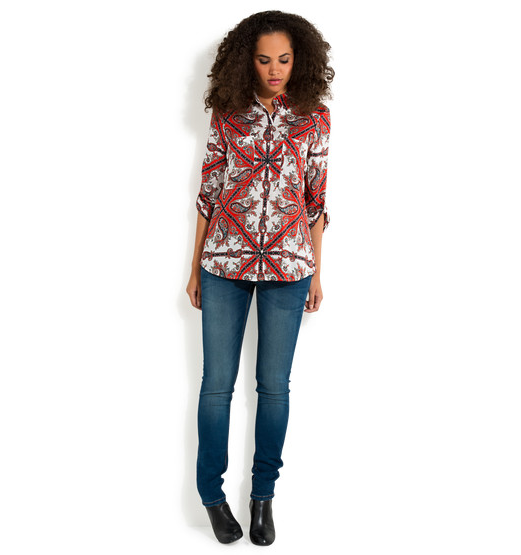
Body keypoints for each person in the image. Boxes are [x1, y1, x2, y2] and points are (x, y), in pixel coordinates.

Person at [186, 10, 334, 546]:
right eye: (265, 59)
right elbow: (208, 194)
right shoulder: (228, 113)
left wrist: (315, 272)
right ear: (247, 61)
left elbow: (316, 201)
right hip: (223, 264)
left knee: (274, 388)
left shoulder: (315, 118)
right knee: (216, 387)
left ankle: (263, 496)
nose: (274, 70)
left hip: (290, 268)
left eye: (284, 60)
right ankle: (211, 495)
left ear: (300, 61)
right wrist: (194, 267)